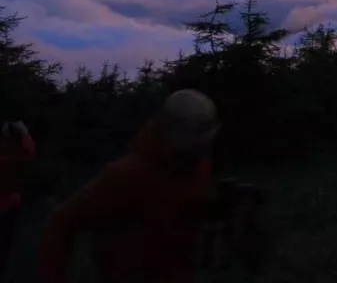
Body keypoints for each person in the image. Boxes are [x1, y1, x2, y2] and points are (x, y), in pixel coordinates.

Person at [38, 89, 220, 283]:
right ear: (172, 132)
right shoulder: (125, 175)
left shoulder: (198, 168)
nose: (204, 146)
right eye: (198, 136)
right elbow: (63, 221)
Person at [0, 119, 34, 277]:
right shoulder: (10, 159)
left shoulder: (9, 157)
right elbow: (29, 153)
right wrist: (24, 133)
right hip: (8, 207)